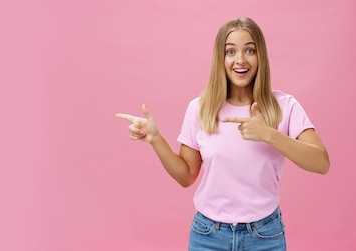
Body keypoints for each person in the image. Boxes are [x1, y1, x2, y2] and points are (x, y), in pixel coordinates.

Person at [115, 17, 329, 251]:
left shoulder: (285, 106)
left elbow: (321, 163)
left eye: (250, 50)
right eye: (230, 51)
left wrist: (269, 134)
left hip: (265, 236)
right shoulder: (200, 108)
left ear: (261, 57)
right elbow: (186, 176)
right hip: (208, 236)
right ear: (221, 58)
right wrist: (156, 139)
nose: (240, 60)